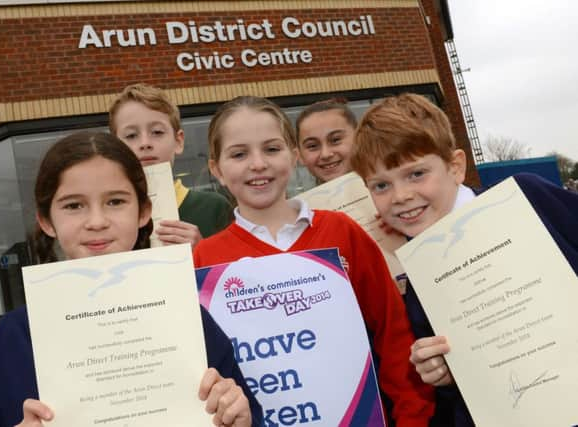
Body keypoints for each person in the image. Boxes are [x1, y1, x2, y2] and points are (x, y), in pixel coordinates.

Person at [0, 131, 262, 427]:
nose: (97, 221)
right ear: (46, 221)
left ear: (143, 212)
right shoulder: (9, 341)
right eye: (73, 205)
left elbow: (250, 417)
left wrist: (241, 419)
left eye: (115, 201)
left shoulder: (187, 317)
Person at [193, 96, 435, 427]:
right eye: (239, 154)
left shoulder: (341, 231)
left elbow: (392, 333)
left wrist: (412, 419)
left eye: (272, 149)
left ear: (294, 157)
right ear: (216, 169)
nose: (258, 163)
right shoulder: (203, 260)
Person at [350, 92, 578, 426]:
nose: (400, 196)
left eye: (416, 174)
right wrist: (444, 375)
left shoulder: (524, 199)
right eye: (381, 185)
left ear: (456, 166)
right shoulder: (419, 280)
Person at [109, 83, 233, 247]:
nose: (145, 143)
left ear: (179, 141)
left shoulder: (213, 207)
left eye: (157, 132)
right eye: (131, 135)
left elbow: (233, 270)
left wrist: (203, 252)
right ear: (114, 146)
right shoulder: (106, 216)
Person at [295, 98, 357, 183]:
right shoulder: (306, 197)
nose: (325, 154)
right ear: (300, 156)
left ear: (359, 139)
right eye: (312, 146)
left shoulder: (379, 193)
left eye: (335, 140)